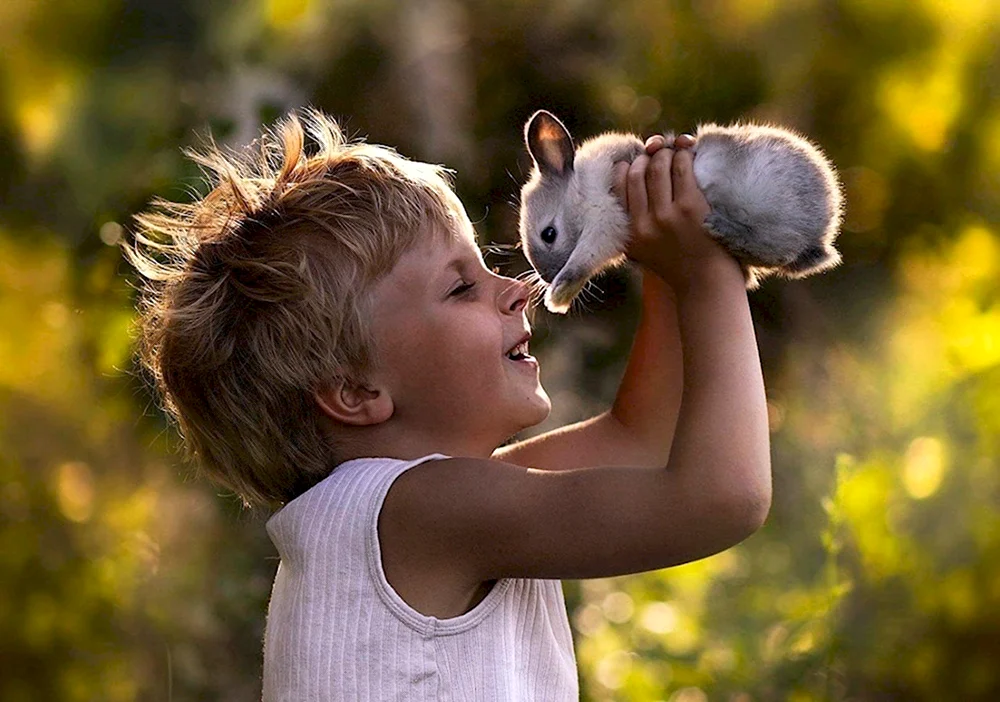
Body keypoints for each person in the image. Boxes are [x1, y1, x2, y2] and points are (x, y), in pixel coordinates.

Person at [125, 108, 771, 701]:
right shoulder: (419, 514)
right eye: (461, 287)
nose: (517, 290)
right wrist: (707, 275)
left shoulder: (414, 510)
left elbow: (641, 442)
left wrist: (658, 256)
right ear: (355, 392)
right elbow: (723, 500)